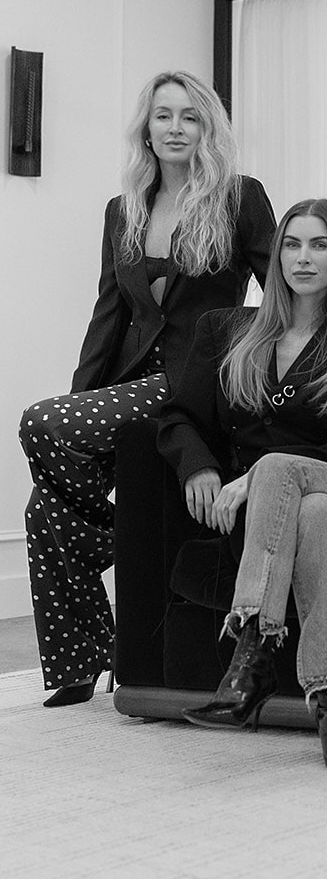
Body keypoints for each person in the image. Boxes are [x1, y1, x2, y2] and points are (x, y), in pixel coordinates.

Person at [19, 70, 276, 707]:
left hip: (194, 384)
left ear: (208, 128)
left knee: (37, 420)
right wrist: (83, 400)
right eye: (163, 116)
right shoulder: (123, 209)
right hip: (130, 382)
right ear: (147, 128)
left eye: (189, 117)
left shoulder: (240, 198)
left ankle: (123, 536)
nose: (175, 128)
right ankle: (85, 663)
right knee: (43, 508)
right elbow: (110, 314)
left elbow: (279, 294)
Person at [158, 199, 327, 776]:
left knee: (285, 473)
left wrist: (254, 476)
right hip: (300, 514)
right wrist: (199, 466)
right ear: (275, 257)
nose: (303, 257)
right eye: (292, 244)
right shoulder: (227, 333)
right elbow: (178, 417)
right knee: (315, 515)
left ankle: (254, 655)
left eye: (320, 244)